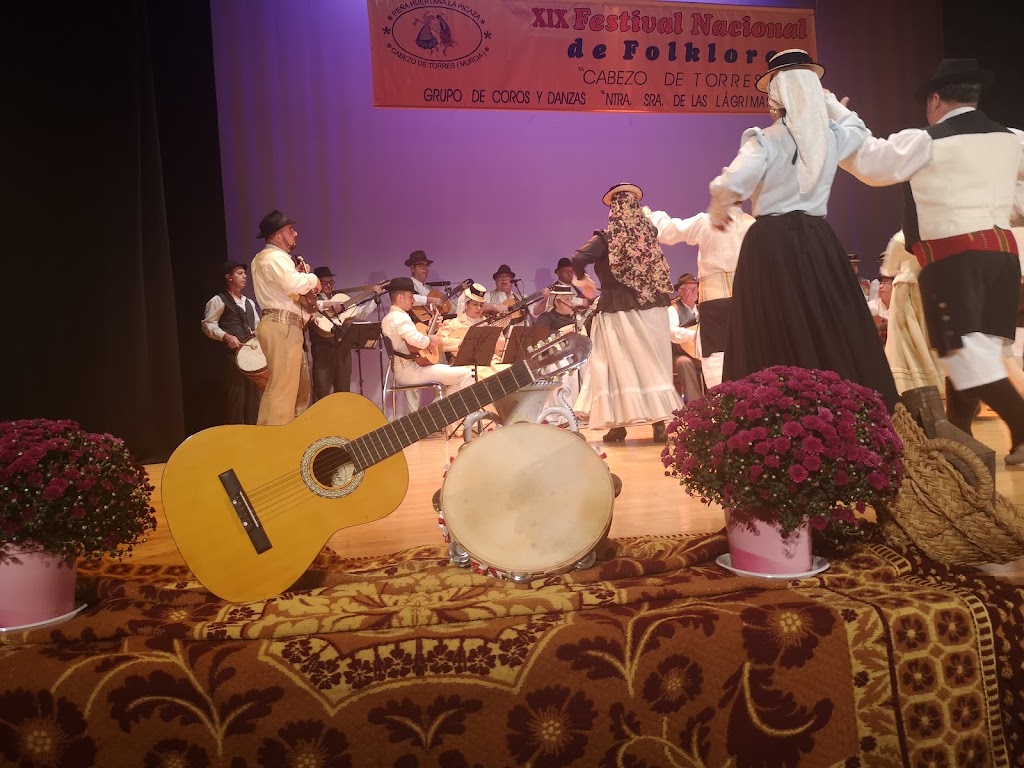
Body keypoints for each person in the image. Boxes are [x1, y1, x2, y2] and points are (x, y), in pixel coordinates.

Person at [840, 57, 1024, 463]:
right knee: (980, 352)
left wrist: (840, 119)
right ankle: (959, 440)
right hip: (1004, 259)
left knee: (962, 354)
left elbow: (871, 164)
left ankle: (1021, 424)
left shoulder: (927, 140)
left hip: (954, 259)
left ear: (936, 100)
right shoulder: (1013, 138)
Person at [708, 48, 899, 413]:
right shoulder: (832, 136)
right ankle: (840, 412)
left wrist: (719, 208)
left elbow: (732, 183)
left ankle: (778, 414)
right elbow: (859, 130)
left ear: (775, 93)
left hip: (772, 242)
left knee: (772, 322)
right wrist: (831, 106)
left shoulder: (764, 139)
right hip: (817, 238)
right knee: (827, 320)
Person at [573, 182, 682, 443]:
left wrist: (582, 280)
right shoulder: (649, 233)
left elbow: (578, 258)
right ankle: (658, 423)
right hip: (653, 308)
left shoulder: (606, 238)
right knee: (652, 362)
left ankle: (618, 425)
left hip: (618, 309)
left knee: (614, 363)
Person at [645, 205, 754, 388]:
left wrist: (650, 216)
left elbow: (670, 231)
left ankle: (723, 403)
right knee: (749, 352)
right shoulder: (751, 224)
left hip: (715, 300)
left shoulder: (707, 221)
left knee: (716, 358)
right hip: (746, 299)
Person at [250, 209, 321, 425]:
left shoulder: (271, 259)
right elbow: (294, 284)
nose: (296, 233)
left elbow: (290, 293)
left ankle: (285, 439)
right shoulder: (273, 257)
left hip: (284, 326)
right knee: (283, 389)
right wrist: (311, 278)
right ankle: (273, 444)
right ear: (277, 235)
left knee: (294, 388)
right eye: (291, 230)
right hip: (281, 326)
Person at [381, 277, 474, 410]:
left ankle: (441, 414)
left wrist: (432, 328)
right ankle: (446, 416)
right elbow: (416, 341)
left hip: (405, 369)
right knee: (466, 374)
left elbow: (411, 342)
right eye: (411, 297)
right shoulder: (400, 317)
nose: (413, 300)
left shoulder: (390, 317)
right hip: (410, 370)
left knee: (456, 379)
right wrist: (431, 339)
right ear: (400, 297)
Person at [308, 266, 382, 403]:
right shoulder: (311, 301)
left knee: (343, 391)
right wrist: (328, 304)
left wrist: (374, 296)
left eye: (331, 282)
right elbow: (310, 307)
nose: (329, 285)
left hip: (342, 350)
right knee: (322, 391)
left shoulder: (341, 299)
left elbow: (361, 312)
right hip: (323, 351)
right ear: (317, 283)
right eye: (325, 283)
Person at [201, 259, 262, 424]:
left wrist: (258, 332)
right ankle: (237, 436)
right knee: (237, 396)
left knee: (253, 397)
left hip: (251, 355)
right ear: (229, 277)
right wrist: (225, 336)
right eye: (240, 273)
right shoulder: (219, 300)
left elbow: (256, 325)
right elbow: (208, 324)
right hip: (232, 356)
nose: (245, 276)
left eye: (245, 273)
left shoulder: (249, 302)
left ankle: (254, 433)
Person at [667, 273, 705, 403]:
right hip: (679, 354)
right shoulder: (673, 310)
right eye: (690, 288)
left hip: (700, 352)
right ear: (681, 291)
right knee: (684, 363)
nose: (695, 292)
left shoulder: (702, 309)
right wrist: (694, 335)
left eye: (696, 288)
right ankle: (697, 404)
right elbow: (671, 332)